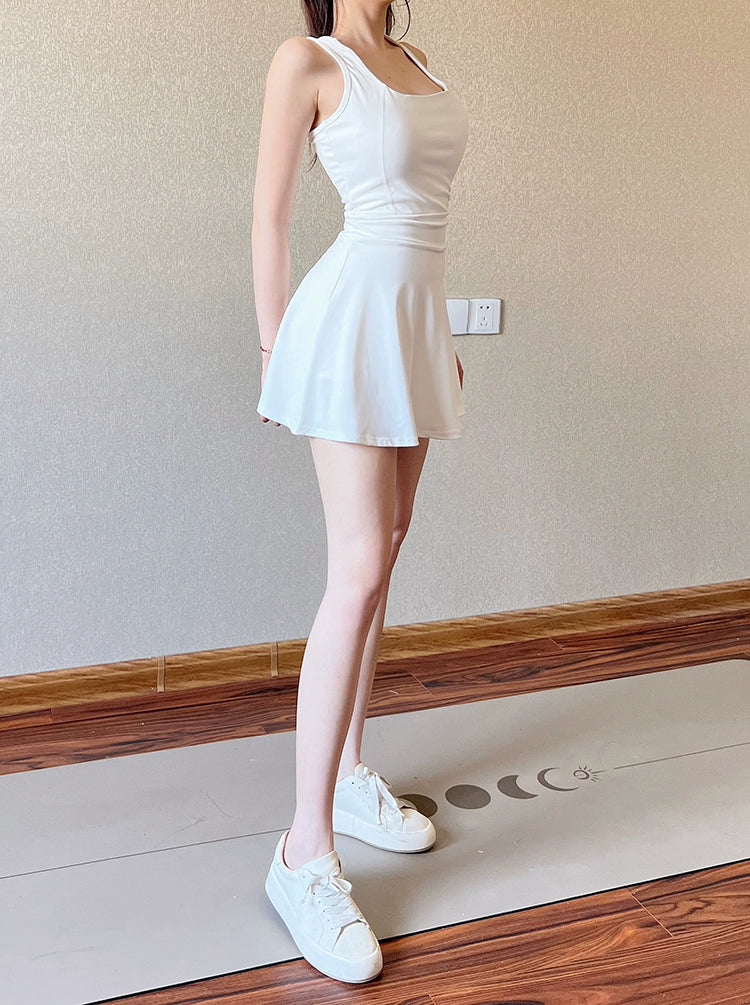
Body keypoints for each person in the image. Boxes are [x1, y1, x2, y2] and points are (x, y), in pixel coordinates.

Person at [250, 0, 469, 985]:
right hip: (343, 330)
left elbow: (423, 221)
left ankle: (345, 775)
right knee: (359, 567)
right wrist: (274, 353)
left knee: (391, 548)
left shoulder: (416, 60)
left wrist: (439, 339)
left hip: (410, 329)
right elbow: (269, 214)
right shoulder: (308, 60)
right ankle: (303, 853)